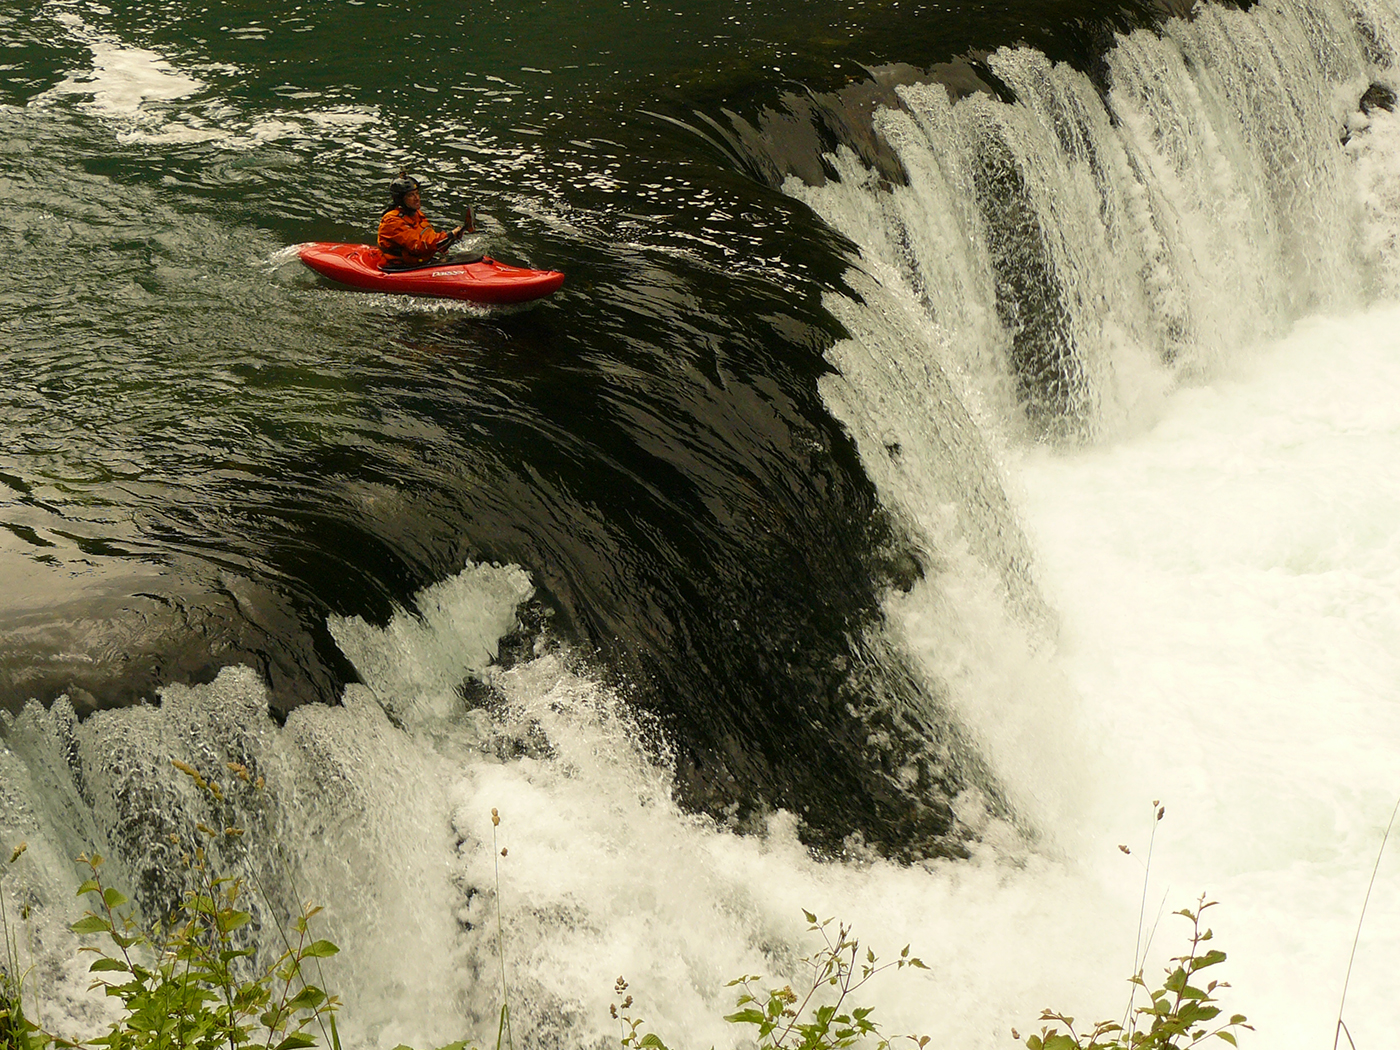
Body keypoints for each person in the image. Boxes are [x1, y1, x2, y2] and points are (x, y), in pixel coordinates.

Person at [377, 172, 469, 267]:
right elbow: (418, 245)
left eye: (417, 193)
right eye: (411, 195)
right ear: (400, 199)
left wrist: (450, 239)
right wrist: (449, 235)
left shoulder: (416, 213)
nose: (416, 198)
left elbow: (429, 240)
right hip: (399, 266)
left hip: (419, 261)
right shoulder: (391, 220)